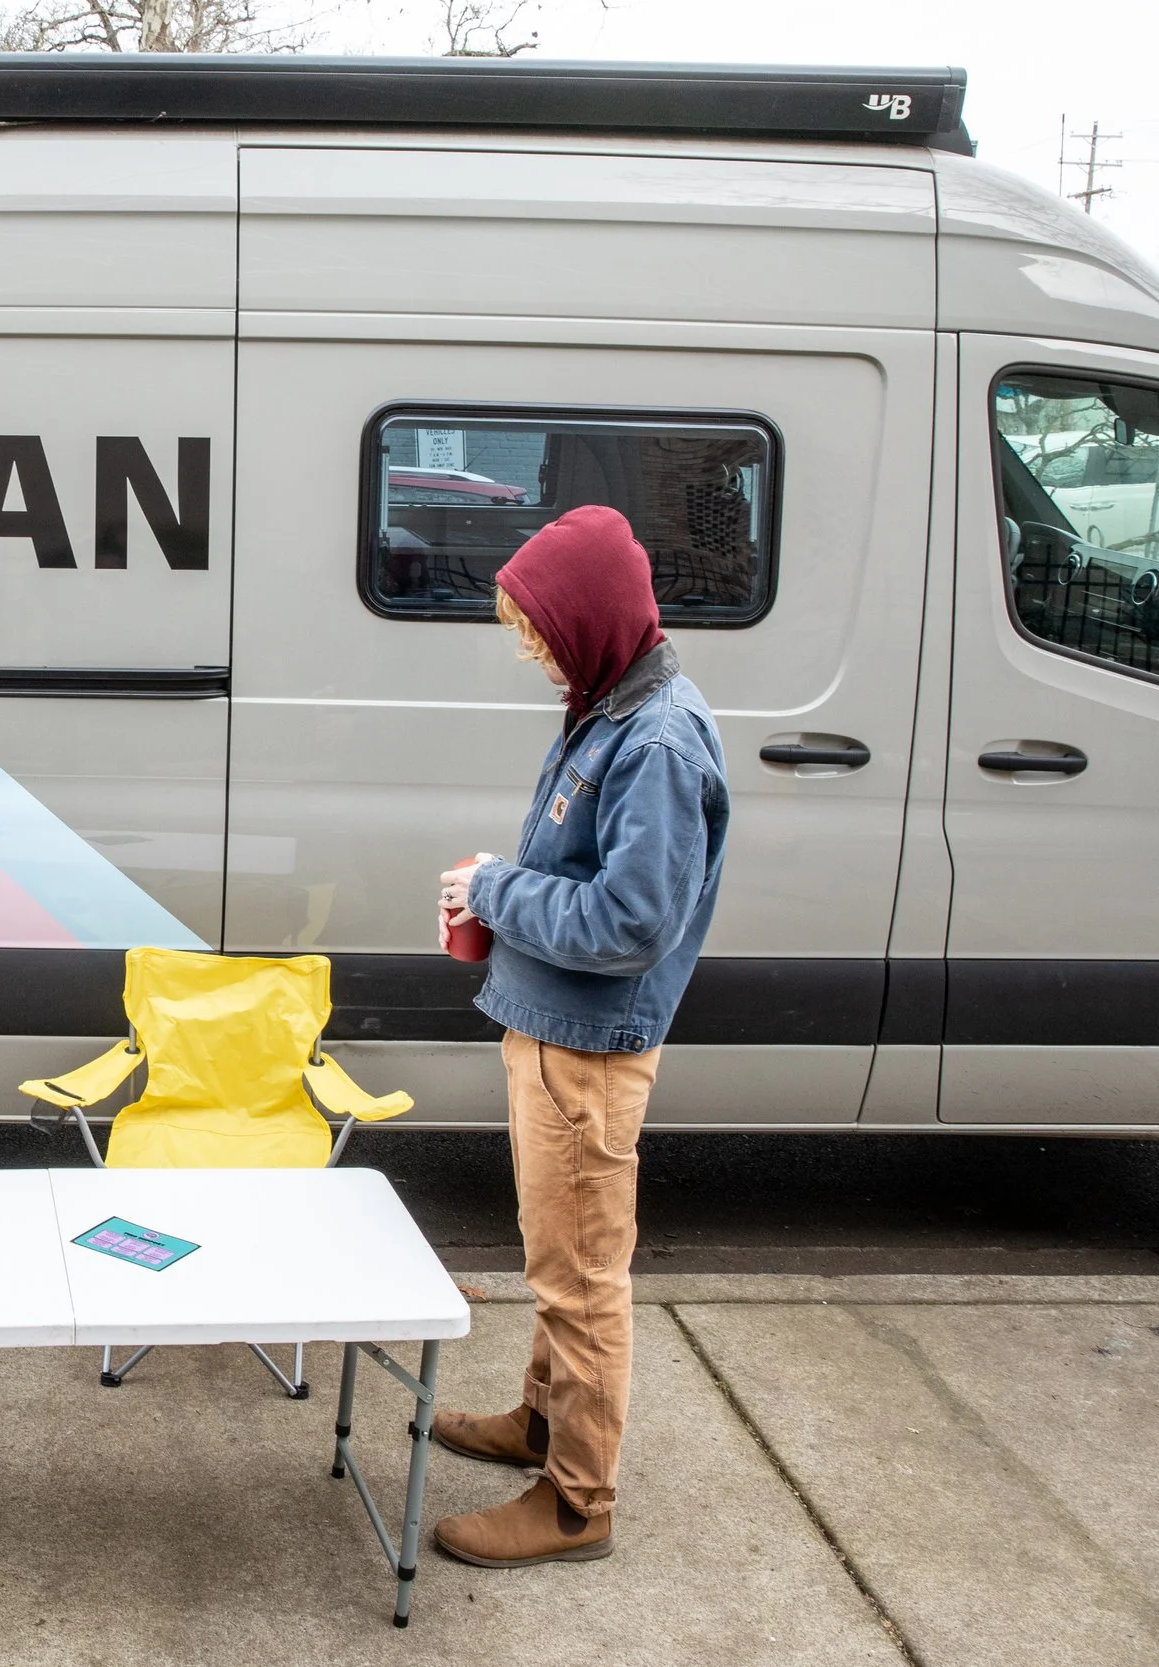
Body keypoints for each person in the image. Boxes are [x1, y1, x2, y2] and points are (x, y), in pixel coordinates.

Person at [429, 505, 729, 1567]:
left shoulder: (654, 739)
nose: (535, 650)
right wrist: (497, 897)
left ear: (593, 616)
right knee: (556, 1255)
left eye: (540, 629)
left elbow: (632, 921)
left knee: (582, 1277)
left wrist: (497, 891)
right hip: (553, 1028)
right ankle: (540, 1420)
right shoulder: (610, 703)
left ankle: (575, 1500)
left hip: (585, 1050)